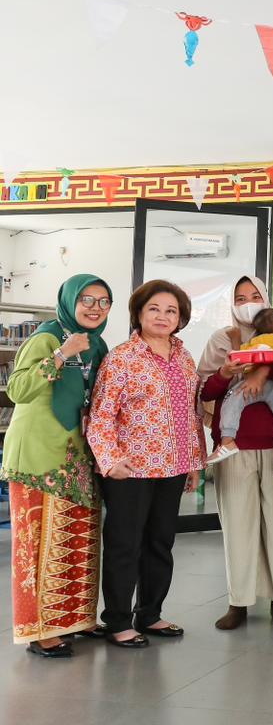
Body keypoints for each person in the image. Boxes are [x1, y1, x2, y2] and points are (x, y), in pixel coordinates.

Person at [87, 280, 205, 648]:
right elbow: (100, 415)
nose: (162, 316)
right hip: (130, 469)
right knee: (125, 545)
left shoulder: (184, 357)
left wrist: (193, 462)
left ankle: (150, 614)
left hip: (173, 467)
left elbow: (191, 415)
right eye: (154, 308)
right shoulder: (121, 358)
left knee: (160, 542)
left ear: (180, 318)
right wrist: (110, 460)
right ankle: (118, 620)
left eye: (171, 311)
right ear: (138, 313)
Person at [1, 274, 112, 658]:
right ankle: (39, 630)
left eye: (103, 301)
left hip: (78, 455)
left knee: (77, 538)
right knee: (36, 545)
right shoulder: (46, 337)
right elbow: (17, 389)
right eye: (87, 300)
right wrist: (62, 354)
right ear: (69, 301)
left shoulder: (98, 346)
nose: (95, 308)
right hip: (38, 454)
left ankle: (76, 620)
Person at [198, 277, 273, 630]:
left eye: (255, 296)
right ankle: (237, 602)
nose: (248, 303)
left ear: (267, 298)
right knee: (238, 527)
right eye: (240, 298)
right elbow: (204, 390)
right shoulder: (221, 339)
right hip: (234, 449)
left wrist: (266, 366)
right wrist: (226, 372)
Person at [209, 308, 273, 483]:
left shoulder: (256, 341)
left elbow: (238, 358)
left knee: (232, 401)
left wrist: (236, 338)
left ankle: (228, 440)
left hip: (250, 386)